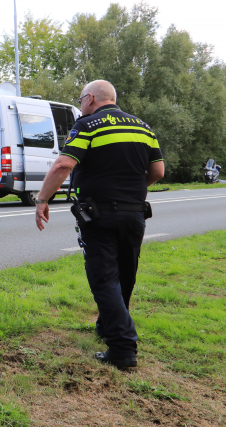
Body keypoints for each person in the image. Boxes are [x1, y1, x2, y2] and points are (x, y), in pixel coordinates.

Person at [34, 80, 164, 368]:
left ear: (90, 98)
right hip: (135, 214)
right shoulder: (143, 127)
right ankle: (108, 327)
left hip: (100, 215)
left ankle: (122, 349)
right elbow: (158, 170)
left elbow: (63, 165)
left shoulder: (88, 125)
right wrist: (131, 190)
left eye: (81, 99)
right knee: (125, 275)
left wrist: (42, 199)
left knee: (104, 279)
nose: (81, 105)